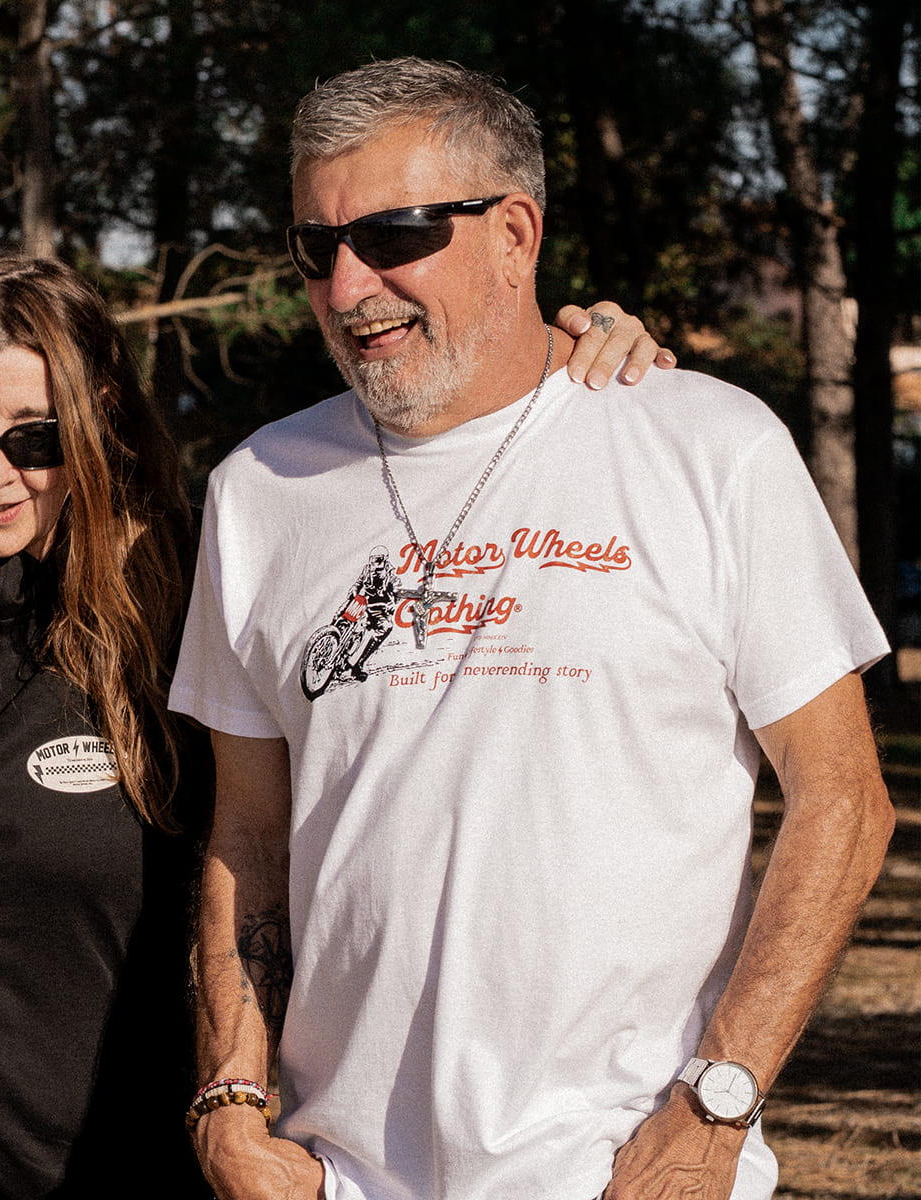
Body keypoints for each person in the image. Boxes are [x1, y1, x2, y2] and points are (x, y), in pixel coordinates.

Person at [0, 251, 662, 1198]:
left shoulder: (190, 596)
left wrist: (546, 372)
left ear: (101, 428)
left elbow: (430, 538)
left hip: (131, 1168)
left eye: (39, 439)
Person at [168, 58, 896, 1200]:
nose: (350, 286)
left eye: (395, 235)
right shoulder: (257, 491)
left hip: (628, 1173)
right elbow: (249, 837)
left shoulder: (707, 446)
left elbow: (844, 802)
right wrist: (228, 1101)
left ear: (515, 234)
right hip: (338, 1179)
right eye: (318, 246)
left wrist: (715, 1110)